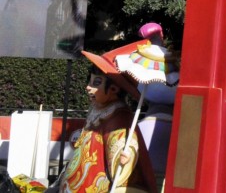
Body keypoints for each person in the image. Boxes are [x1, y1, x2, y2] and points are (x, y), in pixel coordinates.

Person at [50, 51, 156, 193]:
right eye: (90, 81)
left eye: (96, 83)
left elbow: (119, 157)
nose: (88, 87)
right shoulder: (98, 109)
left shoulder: (118, 117)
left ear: (113, 89)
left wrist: (123, 158)